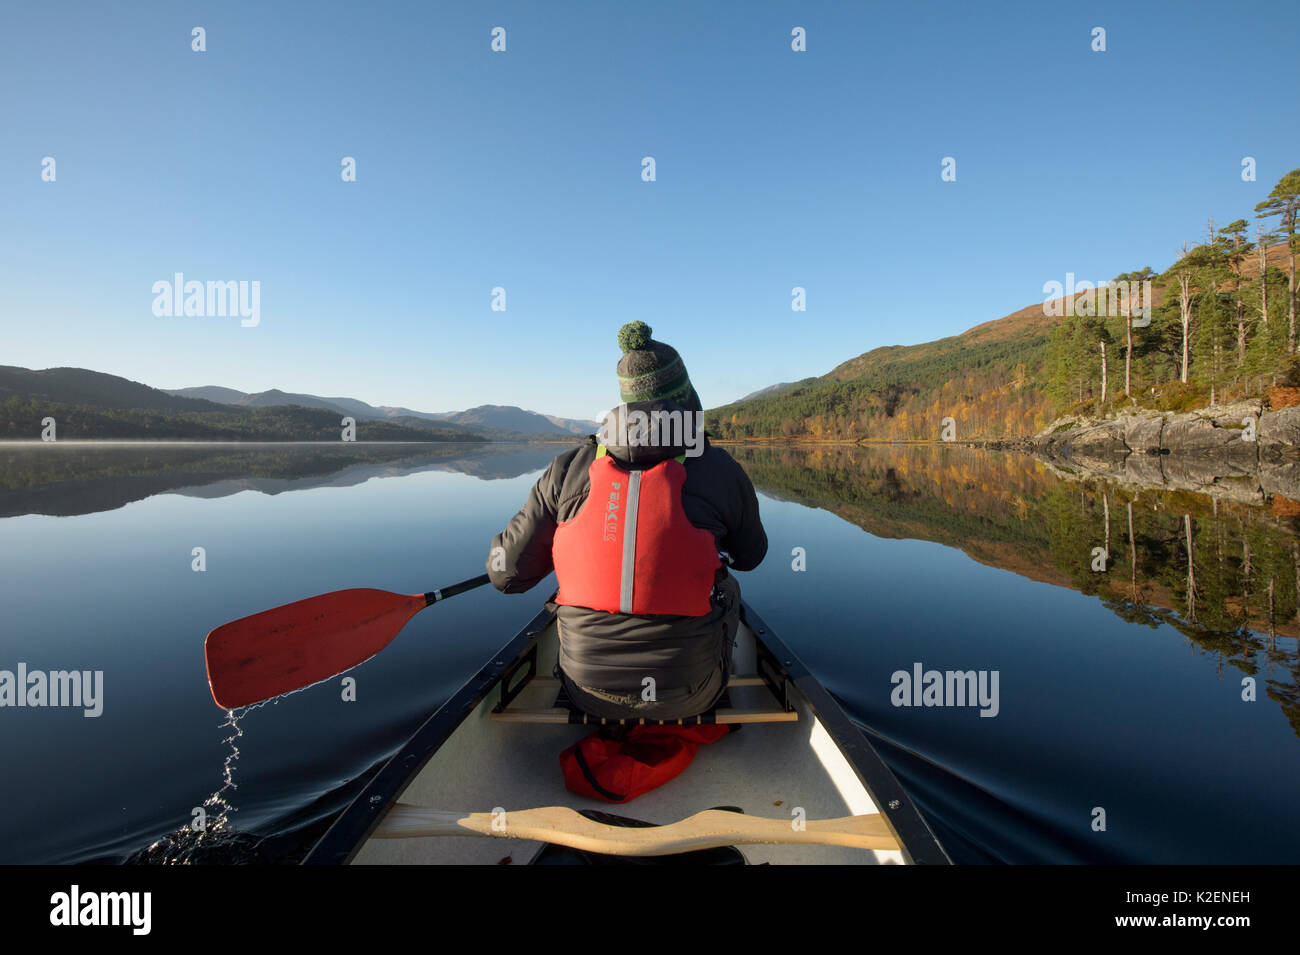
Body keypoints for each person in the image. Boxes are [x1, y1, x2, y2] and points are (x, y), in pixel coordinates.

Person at [486, 322, 767, 721]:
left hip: (586, 692)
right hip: (692, 692)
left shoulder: (568, 469)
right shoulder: (720, 469)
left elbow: (507, 576)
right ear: (687, 403)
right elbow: (750, 556)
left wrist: (567, 550)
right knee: (729, 584)